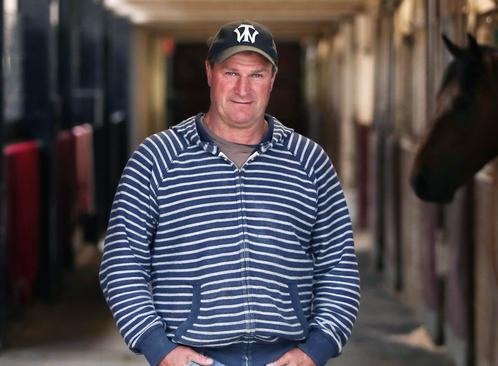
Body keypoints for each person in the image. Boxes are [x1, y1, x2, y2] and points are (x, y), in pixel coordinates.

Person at [99, 20, 360, 366]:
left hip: (287, 358)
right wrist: (158, 348)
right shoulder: (156, 159)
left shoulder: (308, 161)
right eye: (231, 73)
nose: (243, 89)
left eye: (256, 75)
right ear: (209, 73)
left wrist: (317, 349)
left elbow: (338, 264)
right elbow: (122, 263)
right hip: (191, 359)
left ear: (273, 79)